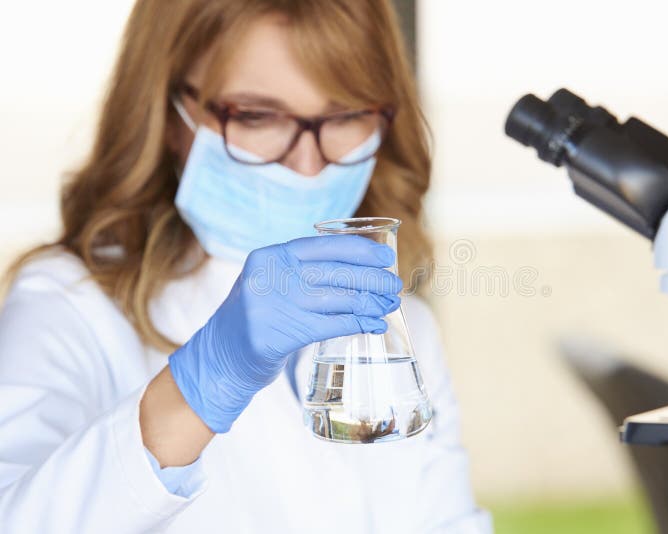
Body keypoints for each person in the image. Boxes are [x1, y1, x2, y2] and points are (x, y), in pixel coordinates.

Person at [0, 1, 491, 532]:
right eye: (257, 116)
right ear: (166, 112)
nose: (309, 166)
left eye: (348, 115)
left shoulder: (405, 326)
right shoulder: (70, 304)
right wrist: (203, 381)